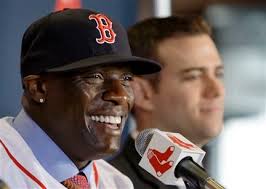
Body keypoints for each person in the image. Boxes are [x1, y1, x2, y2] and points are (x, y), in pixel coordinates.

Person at [0, 8, 161, 189]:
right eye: (95, 77)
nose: (120, 95)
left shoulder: (116, 183)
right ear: (38, 89)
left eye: (126, 79)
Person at [109, 15, 225, 189]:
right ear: (141, 93)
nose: (216, 91)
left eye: (218, 74)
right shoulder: (112, 184)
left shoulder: (209, 183)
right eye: (193, 76)